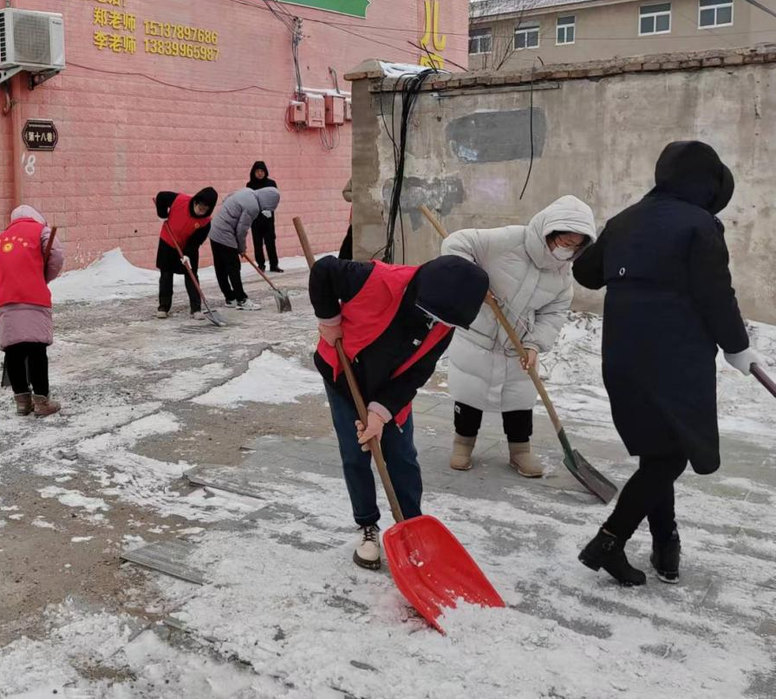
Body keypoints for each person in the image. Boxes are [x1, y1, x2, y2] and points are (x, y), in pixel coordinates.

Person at [573, 141, 760, 587]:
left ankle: (665, 546)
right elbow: (716, 294)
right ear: (707, 184)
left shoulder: (623, 221)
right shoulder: (700, 225)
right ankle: (609, 540)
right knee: (671, 455)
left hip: (622, 355)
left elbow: (586, 273)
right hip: (674, 360)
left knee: (659, 451)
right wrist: (738, 347)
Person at [311, 253, 489, 570]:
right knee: (356, 452)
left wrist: (380, 413)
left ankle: (411, 525)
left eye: (446, 322)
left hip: (390, 388)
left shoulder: (444, 321)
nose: (437, 325)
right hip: (343, 374)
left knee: (402, 457)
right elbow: (324, 269)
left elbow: (417, 372)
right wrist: (330, 321)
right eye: (433, 315)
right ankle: (368, 526)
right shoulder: (374, 279)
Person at [442, 196, 597, 477]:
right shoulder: (509, 239)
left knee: (520, 400)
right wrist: (472, 283)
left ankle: (520, 452)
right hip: (479, 336)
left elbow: (555, 312)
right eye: (565, 243)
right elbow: (454, 243)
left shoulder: (562, 274)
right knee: (469, 394)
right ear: (550, 232)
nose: (568, 251)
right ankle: (462, 445)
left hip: (518, 344)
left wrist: (535, 344)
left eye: (576, 246)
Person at [0, 206, 65, 418]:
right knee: (36, 350)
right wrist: (44, 277)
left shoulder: (2, 238)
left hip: (5, 299)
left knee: (13, 350)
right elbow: (57, 254)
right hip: (33, 297)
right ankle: (42, 401)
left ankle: (22, 402)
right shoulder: (42, 231)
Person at [209, 186, 280, 310]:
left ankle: (230, 298)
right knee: (233, 267)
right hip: (225, 232)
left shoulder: (247, 191)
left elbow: (226, 199)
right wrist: (241, 248)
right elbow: (241, 230)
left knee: (220, 266)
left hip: (214, 229)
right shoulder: (253, 207)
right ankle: (241, 299)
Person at [154, 187, 218, 319]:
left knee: (191, 275)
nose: (202, 209)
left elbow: (196, 241)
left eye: (206, 208)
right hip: (168, 241)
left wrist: (187, 254)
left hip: (188, 247)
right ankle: (163, 307)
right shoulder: (180, 200)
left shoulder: (205, 222)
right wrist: (162, 215)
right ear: (196, 201)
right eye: (201, 205)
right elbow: (161, 196)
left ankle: (196, 309)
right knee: (166, 274)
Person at [246, 161, 282, 273]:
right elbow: (249, 200)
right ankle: (261, 265)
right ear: (253, 172)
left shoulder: (271, 183)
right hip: (256, 218)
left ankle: (274, 264)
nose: (260, 173)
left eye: (262, 171)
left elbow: (275, 198)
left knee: (270, 242)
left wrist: (269, 210)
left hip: (268, 218)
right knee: (257, 243)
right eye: (257, 171)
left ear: (265, 172)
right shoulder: (250, 185)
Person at [339, 177, 354, 260]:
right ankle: (341, 266)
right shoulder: (358, 175)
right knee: (348, 245)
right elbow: (346, 192)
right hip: (357, 220)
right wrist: (356, 197)